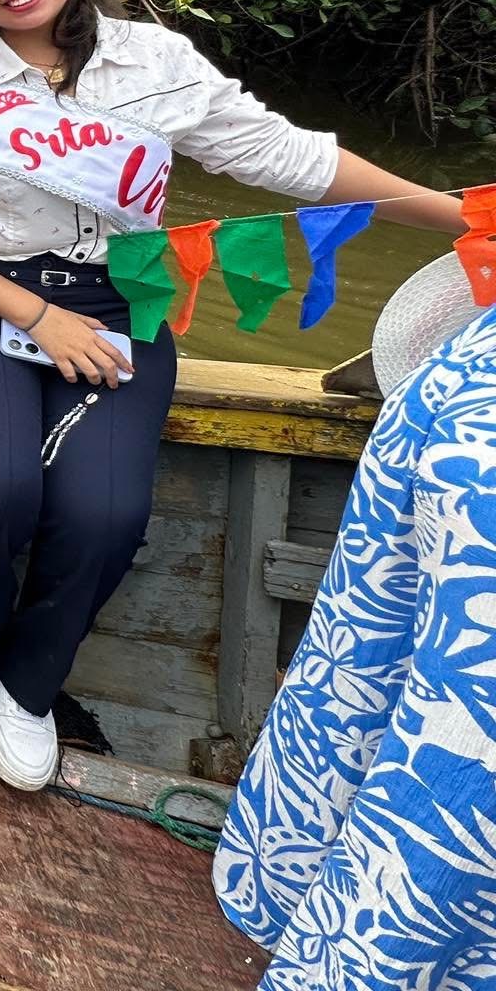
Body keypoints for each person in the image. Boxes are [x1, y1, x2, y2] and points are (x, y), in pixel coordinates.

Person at [0, 0, 464, 792]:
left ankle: (30, 681)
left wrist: (464, 218)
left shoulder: (158, 62)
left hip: (127, 295)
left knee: (108, 511)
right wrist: (40, 315)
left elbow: (293, 159)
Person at [216, 255, 496, 989]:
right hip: (473, 430)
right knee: (457, 736)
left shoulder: (451, 360)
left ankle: (289, 888)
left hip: (459, 398)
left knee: (377, 669)